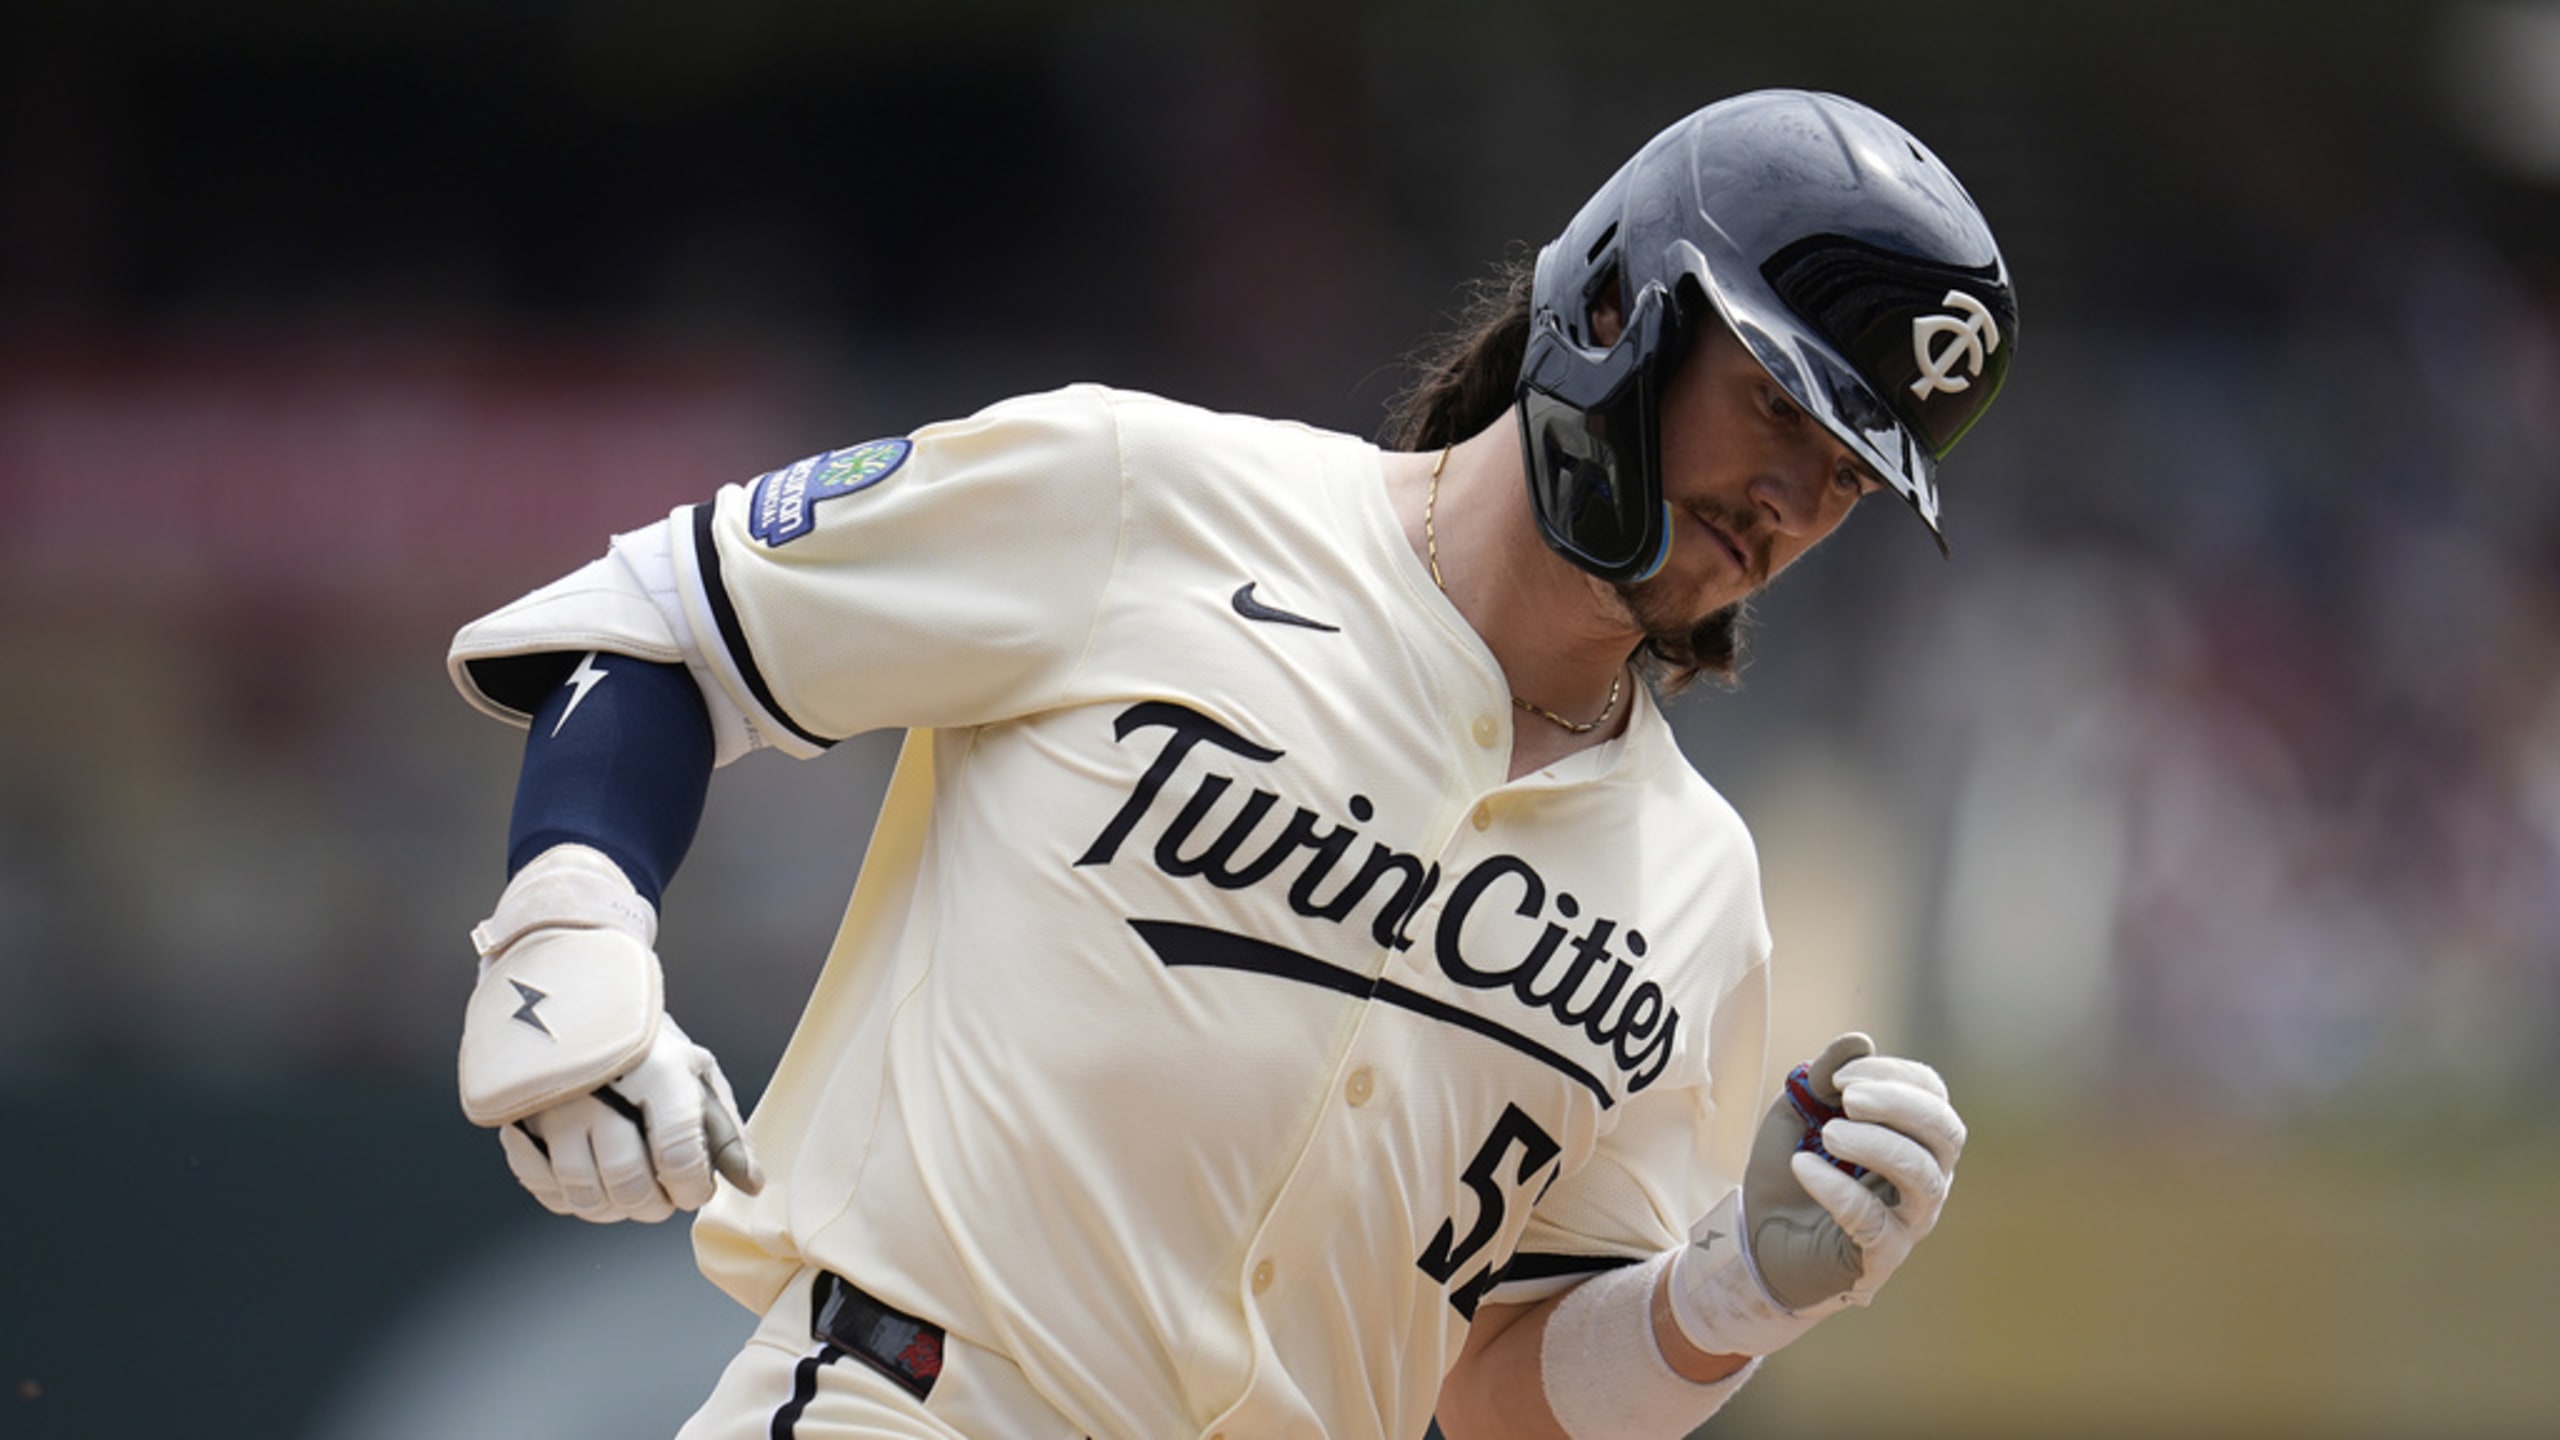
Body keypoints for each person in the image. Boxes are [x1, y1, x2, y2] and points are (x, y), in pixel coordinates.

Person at [445, 88, 2015, 1440]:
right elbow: (670, 618)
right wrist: (573, 918)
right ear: (1618, 306)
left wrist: (1729, 1301)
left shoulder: (1700, 890)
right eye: (1777, 404)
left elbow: (1490, 1395)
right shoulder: (1154, 501)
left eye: (1849, 475)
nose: (1792, 499)